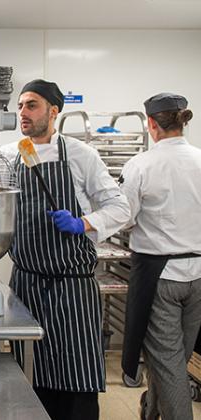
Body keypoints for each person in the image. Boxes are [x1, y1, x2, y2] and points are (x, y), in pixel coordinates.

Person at [1, 79, 130, 420]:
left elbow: (121, 207)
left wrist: (82, 223)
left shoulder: (80, 154)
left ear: (53, 111)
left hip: (72, 285)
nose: (23, 112)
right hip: (26, 283)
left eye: (32, 105)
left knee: (76, 379)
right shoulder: (10, 155)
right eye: (20, 106)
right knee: (31, 374)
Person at [119, 93, 201, 420]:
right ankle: (150, 410)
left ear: (151, 124)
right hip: (198, 275)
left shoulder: (141, 164)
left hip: (161, 276)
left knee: (168, 365)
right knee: (174, 360)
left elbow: (123, 216)